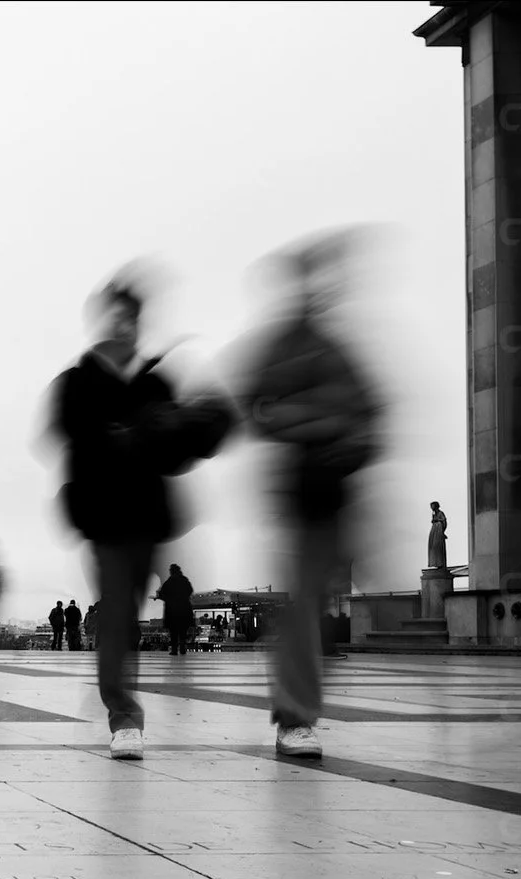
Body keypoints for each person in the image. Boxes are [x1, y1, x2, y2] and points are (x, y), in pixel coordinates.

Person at [46, 270, 231, 759]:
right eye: (117, 316)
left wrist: (192, 425)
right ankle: (124, 716)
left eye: (131, 317)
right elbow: (71, 437)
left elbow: (178, 450)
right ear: (102, 321)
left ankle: (120, 698)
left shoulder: (155, 378)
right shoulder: (78, 382)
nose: (125, 326)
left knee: (127, 608)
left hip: (148, 515)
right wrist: (132, 436)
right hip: (105, 516)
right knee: (118, 613)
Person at [232, 233, 384, 759]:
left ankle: (296, 710)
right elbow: (256, 405)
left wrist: (320, 422)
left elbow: (370, 416)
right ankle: (294, 716)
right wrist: (324, 421)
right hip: (303, 491)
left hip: (336, 490)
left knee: (317, 604)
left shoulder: (336, 348)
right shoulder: (288, 345)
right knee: (304, 607)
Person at [156, 564, 196, 656]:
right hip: (184, 609)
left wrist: (167, 598)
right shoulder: (184, 580)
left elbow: (162, 594)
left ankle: (174, 649)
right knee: (183, 631)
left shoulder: (169, 582)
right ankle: (182, 647)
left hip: (172, 610)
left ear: (171, 571)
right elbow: (190, 590)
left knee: (173, 631)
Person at [428, 501, 448, 571]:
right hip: (434, 531)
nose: (431, 508)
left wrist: (442, 531)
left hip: (438, 530)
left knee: (438, 547)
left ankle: (440, 563)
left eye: (432, 506)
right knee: (434, 547)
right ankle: (436, 562)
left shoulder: (440, 513)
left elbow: (444, 522)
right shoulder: (434, 514)